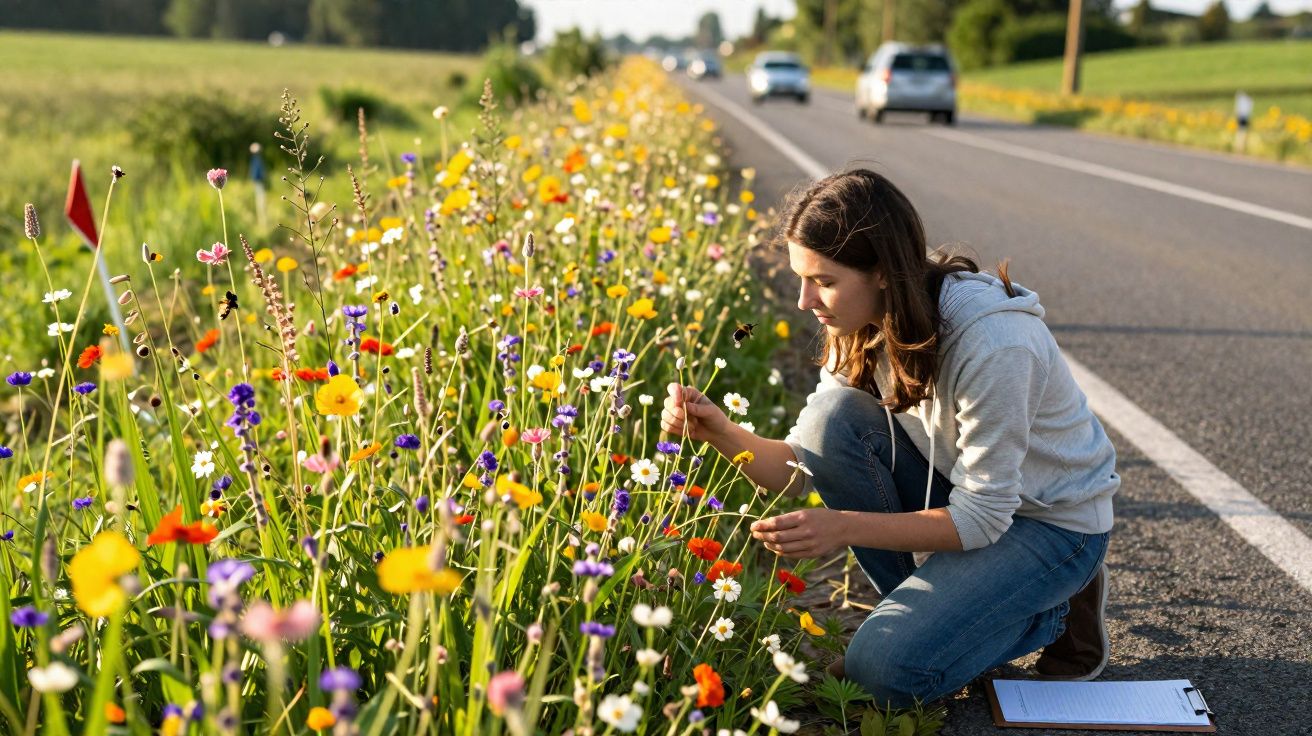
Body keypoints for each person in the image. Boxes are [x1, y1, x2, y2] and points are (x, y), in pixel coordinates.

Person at [660, 169, 1119, 709]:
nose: (806, 300)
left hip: (1048, 523)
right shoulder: (855, 321)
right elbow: (799, 466)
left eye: (823, 281)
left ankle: (1055, 609)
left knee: (881, 675)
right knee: (831, 419)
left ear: (881, 272)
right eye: (800, 278)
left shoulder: (995, 344)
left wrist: (842, 527)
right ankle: (931, 623)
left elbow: (984, 516)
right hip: (968, 494)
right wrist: (719, 430)